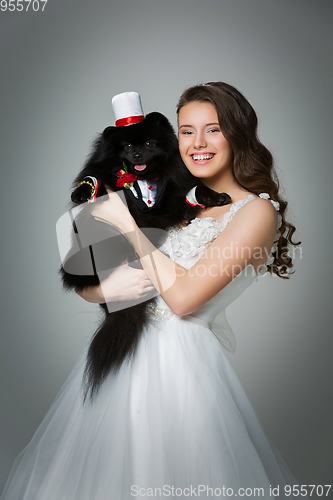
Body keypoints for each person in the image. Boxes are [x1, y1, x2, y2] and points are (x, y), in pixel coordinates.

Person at [1, 82, 303, 500]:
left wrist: (126, 224)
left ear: (237, 133)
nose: (197, 143)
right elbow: (111, 283)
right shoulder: (181, 201)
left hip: (180, 368)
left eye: (213, 129)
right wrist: (102, 287)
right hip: (123, 356)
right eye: (186, 131)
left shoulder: (256, 212)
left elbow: (181, 300)